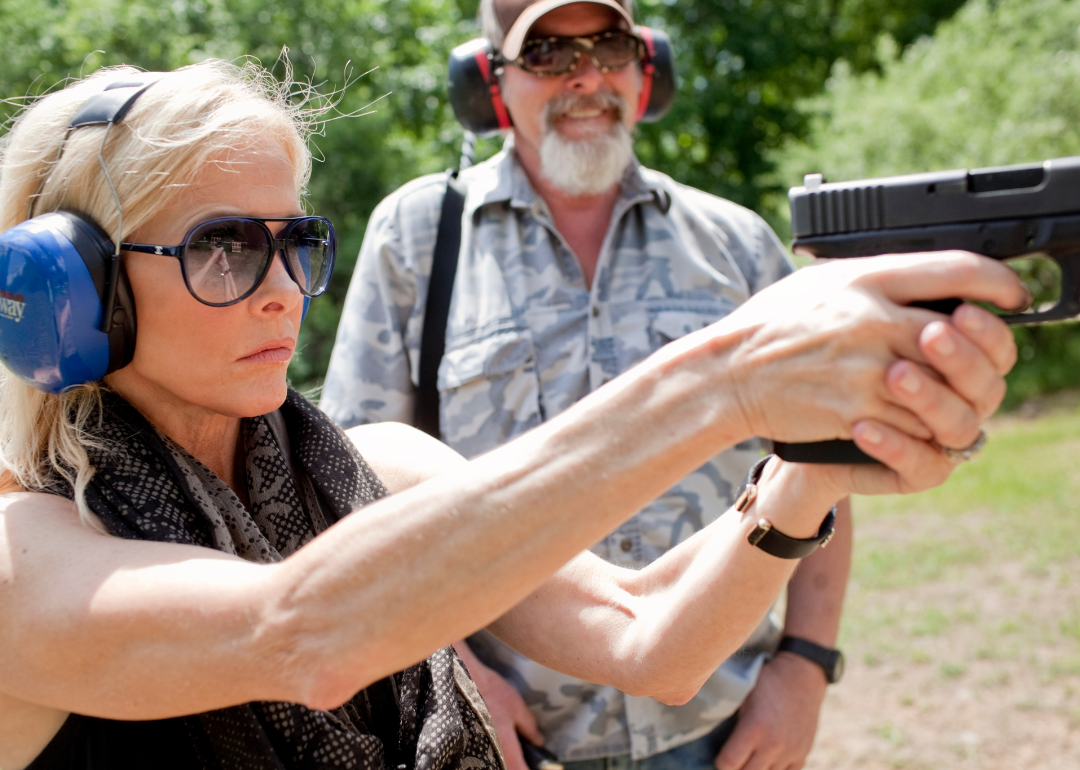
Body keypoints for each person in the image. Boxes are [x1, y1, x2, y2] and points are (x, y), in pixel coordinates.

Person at [0, 60, 1023, 770]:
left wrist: (816, 456)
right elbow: (303, 629)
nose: (280, 290)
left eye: (294, 243)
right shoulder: (27, 563)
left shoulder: (376, 467)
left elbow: (653, 638)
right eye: (224, 246)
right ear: (76, 292)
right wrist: (726, 377)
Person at [319, 2, 855, 769]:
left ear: (648, 69)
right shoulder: (416, 239)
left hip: (719, 730)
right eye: (547, 54)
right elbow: (353, 497)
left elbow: (821, 465)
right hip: (510, 742)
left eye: (609, 48)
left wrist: (804, 668)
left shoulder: (739, 244)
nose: (587, 77)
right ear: (489, 80)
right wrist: (460, 681)